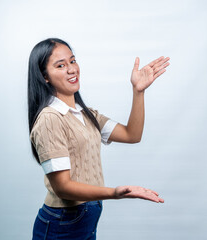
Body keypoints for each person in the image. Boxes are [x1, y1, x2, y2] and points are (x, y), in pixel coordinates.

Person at [28, 38, 170, 240]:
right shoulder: (50, 119)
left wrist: (138, 91)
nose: (71, 69)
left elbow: (132, 135)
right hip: (63, 221)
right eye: (60, 65)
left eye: (72, 61)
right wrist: (114, 193)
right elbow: (62, 187)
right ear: (45, 77)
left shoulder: (85, 114)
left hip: (86, 217)